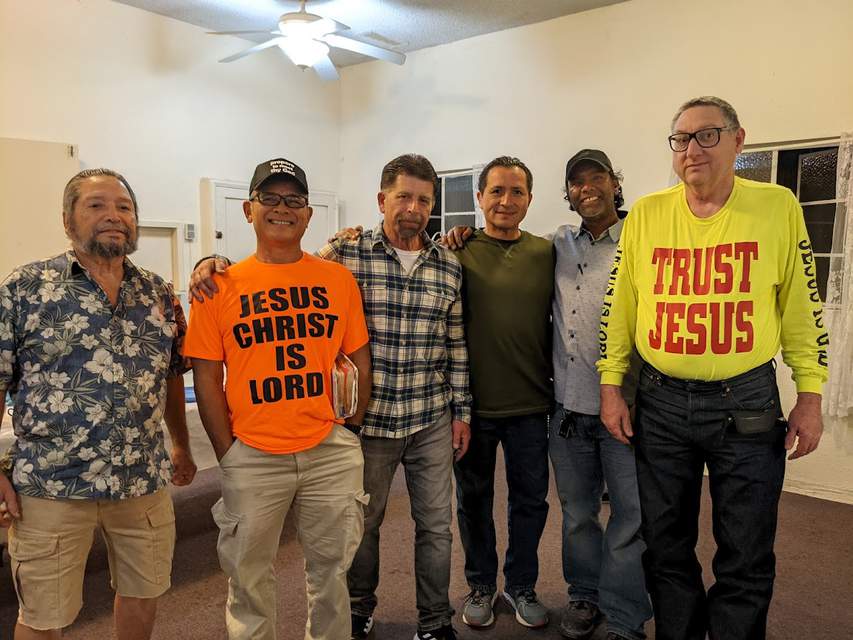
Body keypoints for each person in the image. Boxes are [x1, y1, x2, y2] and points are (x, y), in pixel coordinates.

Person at [188, 154, 471, 640]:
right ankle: (361, 614)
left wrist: (350, 425)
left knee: (394, 543)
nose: (413, 207)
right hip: (330, 435)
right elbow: (210, 371)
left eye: (424, 199)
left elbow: (447, 344)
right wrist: (207, 262)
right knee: (300, 557)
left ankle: (432, 620)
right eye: (403, 196)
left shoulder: (445, 264)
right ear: (383, 200)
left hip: (412, 419)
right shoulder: (344, 255)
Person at [598, 96, 828, 640]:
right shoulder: (648, 215)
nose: (691, 149)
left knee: (746, 548)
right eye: (681, 139)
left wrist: (811, 395)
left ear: (738, 139)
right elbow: (621, 309)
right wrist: (612, 386)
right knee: (665, 543)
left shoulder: (777, 206)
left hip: (747, 400)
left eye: (707, 135)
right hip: (659, 400)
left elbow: (801, 306)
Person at [0, 168, 196, 640]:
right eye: (96, 205)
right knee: (44, 615)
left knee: (143, 594)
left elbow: (170, 377)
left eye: (124, 207)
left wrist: (182, 446)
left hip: (141, 478)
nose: (114, 215)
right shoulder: (25, 289)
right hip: (51, 483)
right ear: (68, 221)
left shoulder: (159, 293)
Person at [183, 157, 372, 640]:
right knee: (248, 580)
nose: (282, 208)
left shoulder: (337, 280)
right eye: (270, 198)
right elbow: (207, 376)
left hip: (328, 450)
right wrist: (227, 449)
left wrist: (348, 430)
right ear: (249, 210)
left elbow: (359, 359)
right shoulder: (218, 287)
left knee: (332, 575)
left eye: (294, 200)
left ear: (309, 215)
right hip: (252, 454)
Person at [548, 149, 651, 640]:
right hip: (567, 411)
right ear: (567, 193)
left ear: (615, 183)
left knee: (631, 516)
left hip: (626, 411)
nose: (587, 187)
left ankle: (627, 614)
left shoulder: (644, 239)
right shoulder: (557, 246)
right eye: (577, 181)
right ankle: (584, 597)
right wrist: (459, 234)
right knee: (577, 515)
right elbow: (505, 248)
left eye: (597, 178)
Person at [450, 157, 553, 630]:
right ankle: (480, 585)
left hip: (532, 406)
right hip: (472, 408)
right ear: (479, 198)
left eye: (516, 192)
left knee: (530, 502)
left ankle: (522, 584)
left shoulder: (546, 253)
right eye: (496, 191)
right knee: (473, 502)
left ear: (530, 199)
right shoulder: (455, 250)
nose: (506, 201)